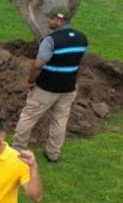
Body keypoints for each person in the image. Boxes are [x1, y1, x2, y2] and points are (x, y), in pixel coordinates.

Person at [12, 10, 88, 163]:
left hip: (46, 88)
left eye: (51, 19)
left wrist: (31, 81)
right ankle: (53, 154)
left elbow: (38, 64)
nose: (48, 21)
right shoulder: (82, 38)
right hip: (68, 88)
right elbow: (80, 63)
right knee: (60, 120)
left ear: (59, 21)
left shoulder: (51, 40)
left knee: (28, 116)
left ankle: (17, 151)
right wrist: (75, 82)